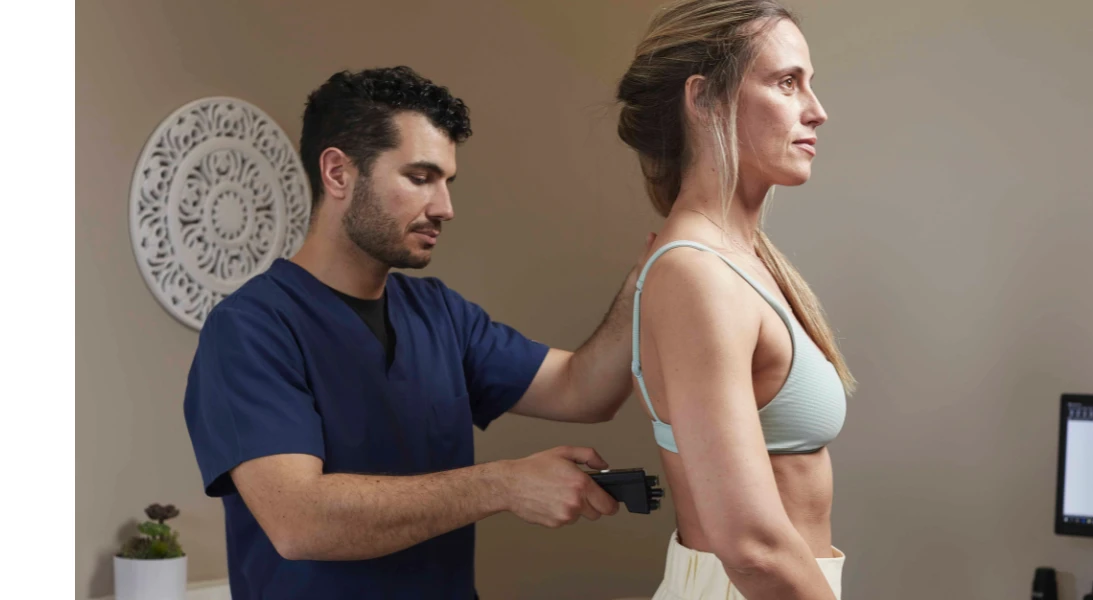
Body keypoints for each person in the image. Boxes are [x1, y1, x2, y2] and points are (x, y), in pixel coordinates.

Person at [183, 66, 654, 600]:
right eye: (420, 177)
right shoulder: (250, 329)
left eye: (447, 182)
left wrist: (646, 283)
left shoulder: (439, 313)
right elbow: (299, 521)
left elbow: (583, 390)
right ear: (338, 173)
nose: (445, 208)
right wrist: (503, 484)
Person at [615, 1, 856, 599]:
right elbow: (751, 547)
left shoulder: (739, 262)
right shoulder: (698, 275)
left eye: (809, 83)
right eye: (786, 83)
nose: (817, 110)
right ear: (703, 99)